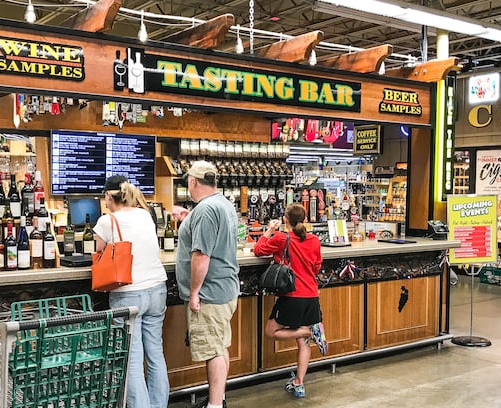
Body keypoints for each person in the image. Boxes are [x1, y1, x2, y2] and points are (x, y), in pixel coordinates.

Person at [94, 175, 169, 408]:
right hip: (157, 289)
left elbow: (97, 256)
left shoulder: (107, 221)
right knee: (155, 354)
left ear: (108, 196)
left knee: (133, 359)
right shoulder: (146, 215)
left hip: (128, 293)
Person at [172, 161, 239, 408]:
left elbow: (201, 255)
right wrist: (189, 219)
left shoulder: (205, 210)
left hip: (209, 293)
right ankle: (218, 398)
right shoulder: (222, 203)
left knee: (212, 351)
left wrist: (194, 294)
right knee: (219, 346)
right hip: (225, 287)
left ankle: (213, 405)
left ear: (192, 182)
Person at [254, 203, 327, 399]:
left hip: (291, 296)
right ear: (304, 219)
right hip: (311, 295)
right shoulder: (314, 240)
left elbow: (258, 250)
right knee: (303, 344)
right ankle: (299, 383)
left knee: (271, 331)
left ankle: (309, 330)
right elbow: (317, 266)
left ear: (286, 220)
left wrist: (269, 230)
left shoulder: (281, 238)